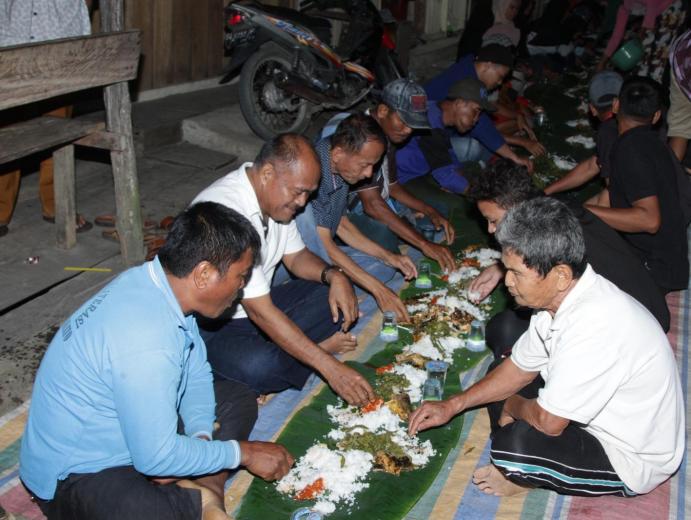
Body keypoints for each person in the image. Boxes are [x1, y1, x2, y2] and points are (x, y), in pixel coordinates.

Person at [19, 202, 295, 519]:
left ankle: (204, 492)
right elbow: (155, 458)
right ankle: (195, 497)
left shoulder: (158, 286)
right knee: (145, 509)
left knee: (237, 398)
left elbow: (196, 375)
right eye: (240, 276)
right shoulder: (147, 338)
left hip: (135, 430)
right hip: (77, 472)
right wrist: (243, 453)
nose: (241, 287)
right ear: (204, 274)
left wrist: (201, 436)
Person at [409, 197, 685, 498]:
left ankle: (522, 473)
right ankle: (523, 456)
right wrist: (452, 405)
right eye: (506, 269)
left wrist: (513, 406)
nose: (508, 282)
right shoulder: (556, 303)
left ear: (561, 275)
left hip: (628, 454)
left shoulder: (596, 325)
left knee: (513, 448)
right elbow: (518, 370)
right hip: (588, 414)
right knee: (498, 372)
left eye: (517, 273)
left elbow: (549, 424)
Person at [192, 134, 374, 404]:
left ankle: (295, 356)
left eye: (308, 194)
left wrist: (335, 275)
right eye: (298, 192)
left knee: (335, 298)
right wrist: (329, 367)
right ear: (267, 174)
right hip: (217, 325)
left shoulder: (276, 203)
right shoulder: (226, 211)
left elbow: (297, 257)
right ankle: (310, 354)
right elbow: (261, 312)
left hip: (261, 307)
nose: (302, 202)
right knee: (261, 367)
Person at [320, 79, 457, 272]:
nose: (408, 130)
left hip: (379, 201)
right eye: (404, 121)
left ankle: (408, 233)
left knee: (437, 211)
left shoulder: (387, 134)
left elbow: (392, 185)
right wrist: (423, 244)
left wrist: (429, 211)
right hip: (351, 212)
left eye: (413, 125)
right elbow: (372, 205)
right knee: (388, 244)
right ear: (383, 111)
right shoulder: (361, 136)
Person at [295, 113, 417, 321]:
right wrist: (378, 290)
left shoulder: (339, 165)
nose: (369, 174)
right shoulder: (315, 175)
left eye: (373, 166)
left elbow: (340, 224)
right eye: (364, 165)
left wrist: (389, 257)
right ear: (338, 154)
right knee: (367, 280)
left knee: (384, 268)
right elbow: (323, 244)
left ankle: (332, 292)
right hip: (301, 260)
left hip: (322, 250)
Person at [586, 76, 689, 293]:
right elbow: (609, 194)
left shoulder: (631, 150)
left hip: (655, 270)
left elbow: (649, 220)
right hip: (667, 261)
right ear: (656, 116)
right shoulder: (650, 142)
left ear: (616, 105)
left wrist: (585, 212)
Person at [0, 0, 94, 238]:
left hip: (58, 40)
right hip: (12, 38)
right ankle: (0, 208)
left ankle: (57, 204)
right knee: (7, 132)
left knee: (58, 130)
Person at [397, 77, 529, 194]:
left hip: (416, 173)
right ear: (459, 103)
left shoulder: (435, 110)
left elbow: (448, 152)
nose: (476, 119)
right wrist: (483, 197)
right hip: (402, 180)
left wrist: (458, 174)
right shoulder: (431, 125)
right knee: (454, 206)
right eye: (476, 111)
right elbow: (446, 177)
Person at [544, 71, 623, 203]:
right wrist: (546, 191)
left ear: (592, 109)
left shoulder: (608, 131)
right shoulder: (635, 118)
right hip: (651, 191)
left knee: (580, 212)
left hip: (640, 203)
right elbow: (591, 166)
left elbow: (615, 193)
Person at [597, 0, 686, 82]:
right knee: (646, 52)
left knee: (660, 49)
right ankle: (653, 80)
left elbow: (652, 3)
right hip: (655, 15)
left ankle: (665, 78)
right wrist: (602, 62)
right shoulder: (623, 8)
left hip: (670, 6)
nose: (604, 4)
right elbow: (616, 36)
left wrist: (642, 32)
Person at [667, 28, 691, 167]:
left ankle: (667, 176)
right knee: (680, 128)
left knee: (680, 129)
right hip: (683, 64)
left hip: (682, 60)